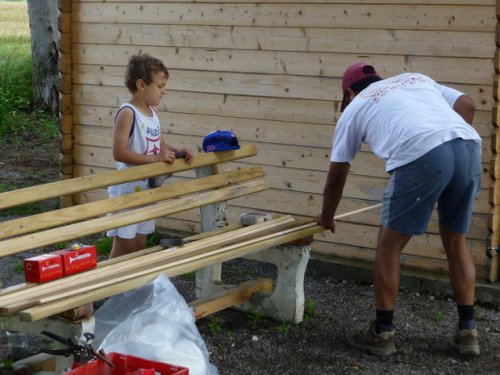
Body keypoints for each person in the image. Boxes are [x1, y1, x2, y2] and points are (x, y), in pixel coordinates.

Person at [316, 63, 481, 357]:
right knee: (456, 241)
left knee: (389, 246)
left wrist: (326, 218)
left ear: (348, 92)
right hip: (467, 145)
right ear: (377, 79)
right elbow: (467, 105)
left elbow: (336, 176)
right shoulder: (415, 78)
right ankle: (468, 331)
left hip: (422, 153)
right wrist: (444, 138)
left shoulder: (355, 108)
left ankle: (382, 333)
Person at [107, 53, 193, 259]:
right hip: (128, 191)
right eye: (160, 86)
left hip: (148, 190)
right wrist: (156, 159)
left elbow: (160, 146)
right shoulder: (128, 113)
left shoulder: (153, 113)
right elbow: (119, 152)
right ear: (141, 85)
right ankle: (109, 290)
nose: (164, 91)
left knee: (139, 245)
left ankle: (133, 290)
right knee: (125, 247)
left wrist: (180, 152)